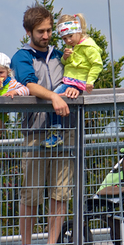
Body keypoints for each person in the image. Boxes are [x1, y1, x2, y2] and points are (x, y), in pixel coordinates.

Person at [11, 4, 72, 245]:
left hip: (65, 129)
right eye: (40, 32)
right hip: (36, 132)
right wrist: (55, 98)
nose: (46, 36)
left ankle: (52, 244)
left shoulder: (60, 54)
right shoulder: (22, 57)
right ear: (29, 31)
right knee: (32, 192)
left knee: (61, 191)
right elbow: (29, 85)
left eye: (49, 30)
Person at [43, 13, 103, 148]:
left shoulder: (89, 47)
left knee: (54, 98)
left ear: (78, 31)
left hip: (78, 83)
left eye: (70, 36)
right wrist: (65, 57)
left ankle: (56, 132)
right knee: (53, 99)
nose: (68, 40)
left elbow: (97, 64)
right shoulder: (73, 46)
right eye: (64, 38)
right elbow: (66, 64)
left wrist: (90, 81)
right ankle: (56, 130)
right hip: (69, 81)